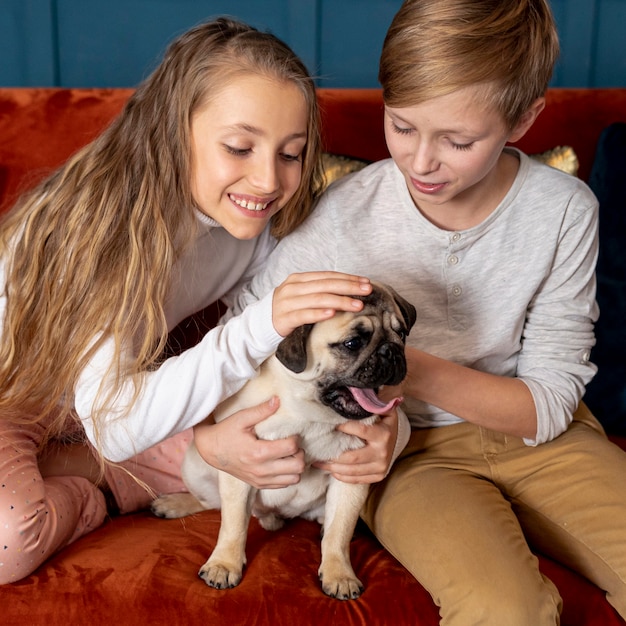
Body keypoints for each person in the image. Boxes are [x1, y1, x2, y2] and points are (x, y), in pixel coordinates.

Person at [223, 1, 626, 623]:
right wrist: (213, 438)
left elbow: (548, 404)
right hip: (408, 456)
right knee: (505, 609)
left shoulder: (564, 210)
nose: (420, 161)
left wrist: (392, 366)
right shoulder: (342, 215)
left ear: (523, 119)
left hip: (546, 439)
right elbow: (245, 337)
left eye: (458, 141)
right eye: (402, 126)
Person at [0, 18, 407, 584]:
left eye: (291, 154)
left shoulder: (257, 219)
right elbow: (117, 425)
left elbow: (302, 364)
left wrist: (381, 421)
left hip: (119, 399)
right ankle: (101, 487)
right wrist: (262, 324)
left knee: (261, 456)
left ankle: (99, 468)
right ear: (174, 132)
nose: (267, 179)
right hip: (20, 393)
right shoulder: (108, 235)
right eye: (239, 147)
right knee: (8, 538)